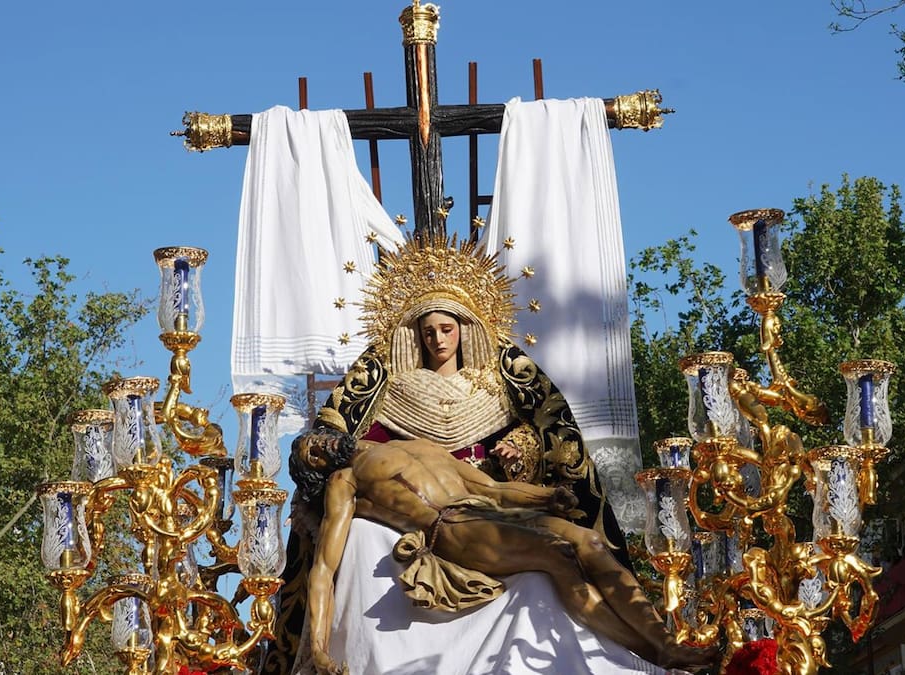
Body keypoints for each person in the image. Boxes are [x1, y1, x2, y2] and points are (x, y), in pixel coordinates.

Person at [265, 235, 635, 674]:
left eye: (447, 329)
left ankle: (631, 648)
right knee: (361, 539)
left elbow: (550, 438)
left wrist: (524, 448)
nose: (438, 340)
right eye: (428, 332)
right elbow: (335, 446)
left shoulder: (499, 387)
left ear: (466, 329)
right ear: (415, 337)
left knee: (551, 565)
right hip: (406, 520)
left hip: (483, 508)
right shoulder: (390, 391)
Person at [293, 429, 717, 674]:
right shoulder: (345, 481)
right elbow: (324, 570)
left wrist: (544, 497)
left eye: (314, 441)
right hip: (454, 528)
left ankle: (663, 642)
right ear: (318, 472)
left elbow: (493, 488)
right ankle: (651, 651)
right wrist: (317, 648)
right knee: (558, 556)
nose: (318, 448)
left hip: (488, 511)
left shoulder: (419, 444)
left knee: (587, 540)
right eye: (310, 456)